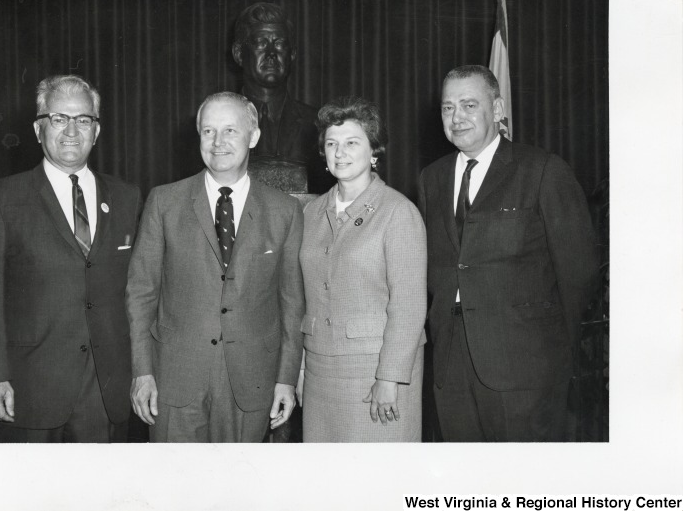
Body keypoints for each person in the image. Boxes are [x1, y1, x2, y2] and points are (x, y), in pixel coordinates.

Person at [417, 65, 600, 442]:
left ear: (498, 109)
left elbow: (578, 274)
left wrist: (549, 355)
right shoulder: (430, 178)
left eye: (469, 104)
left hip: (525, 369)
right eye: (448, 107)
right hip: (450, 364)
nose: (457, 117)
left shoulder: (542, 170)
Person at [0, 75, 142, 442]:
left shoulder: (127, 198)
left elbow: (139, 293)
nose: (71, 131)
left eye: (83, 120)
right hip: (27, 390)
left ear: (97, 130)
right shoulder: (0, 199)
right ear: (38, 128)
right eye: (59, 118)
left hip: (105, 390)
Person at [126, 91, 305, 442]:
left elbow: (292, 304)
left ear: (253, 136)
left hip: (251, 384)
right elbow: (140, 294)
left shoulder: (285, 211)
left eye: (230, 131)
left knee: (239, 491)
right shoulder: (164, 201)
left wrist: (285, 378)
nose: (218, 142)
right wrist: (142, 372)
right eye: (208, 131)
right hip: (174, 383)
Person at [297, 96, 427, 442]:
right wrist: (300, 366)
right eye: (331, 144)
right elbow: (305, 297)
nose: (340, 153)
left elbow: (409, 305)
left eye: (352, 143)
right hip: (321, 372)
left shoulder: (398, 212)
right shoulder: (310, 213)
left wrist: (391, 377)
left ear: (374, 152)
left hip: (375, 374)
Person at [232, 2, 330, 193]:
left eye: (279, 44)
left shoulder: (320, 125)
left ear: (292, 53)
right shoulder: (213, 126)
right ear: (238, 54)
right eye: (260, 43)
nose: (271, 54)